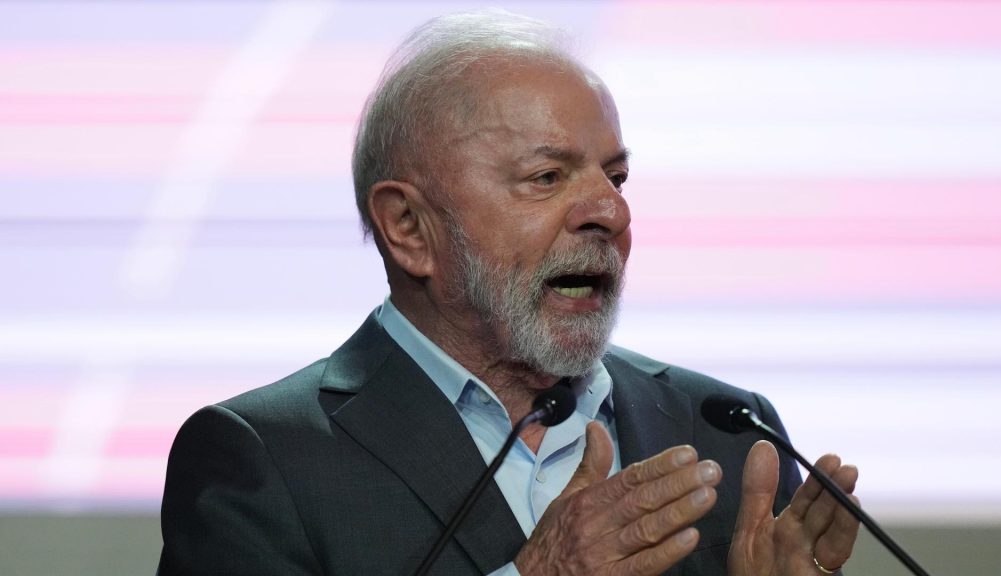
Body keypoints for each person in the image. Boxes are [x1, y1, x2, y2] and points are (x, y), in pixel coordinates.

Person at [158, 9, 859, 576]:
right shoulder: (262, 459)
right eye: (546, 178)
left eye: (616, 178)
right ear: (409, 228)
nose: (611, 212)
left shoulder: (729, 433)